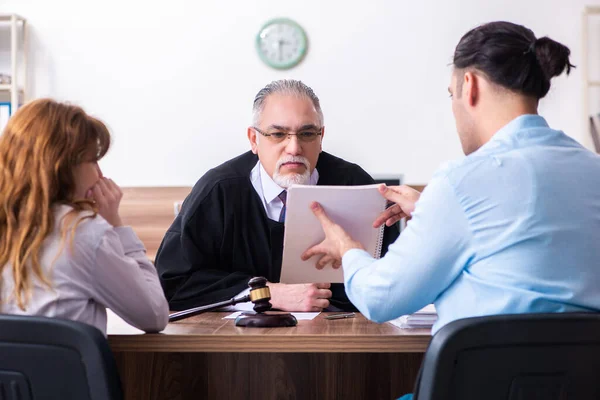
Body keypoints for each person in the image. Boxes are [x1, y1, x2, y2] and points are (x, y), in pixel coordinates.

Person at [303, 21, 600, 335]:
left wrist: (347, 248)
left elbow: (381, 298)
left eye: (451, 95)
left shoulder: (463, 182)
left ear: (469, 86)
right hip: (586, 383)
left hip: (484, 383)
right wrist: (432, 210)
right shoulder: (592, 168)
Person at [155, 79, 399, 312]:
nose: (294, 148)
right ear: (254, 139)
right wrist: (266, 293)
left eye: (306, 134)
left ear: (321, 137)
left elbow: (390, 281)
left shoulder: (355, 187)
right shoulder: (218, 191)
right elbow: (172, 282)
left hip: (339, 340)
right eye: (278, 134)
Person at [0, 99, 169, 335]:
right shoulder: (83, 232)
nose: (100, 174)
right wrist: (116, 225)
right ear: (62, 165)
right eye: (92, 161)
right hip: (62, 373)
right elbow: (154, 314)